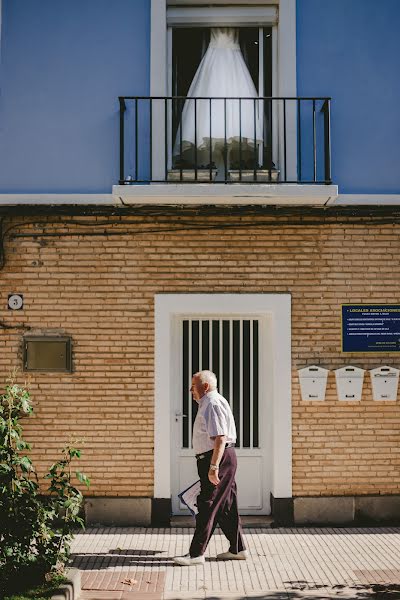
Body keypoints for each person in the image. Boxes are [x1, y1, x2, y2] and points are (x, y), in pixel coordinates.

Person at [173, 370, 248, 566]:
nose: (190, 390)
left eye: (193, 386)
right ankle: (237, 549)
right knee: (227, 505)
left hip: (217, 458)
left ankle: (196, 554)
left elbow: (220, 437)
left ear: (205, 386)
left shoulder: (212, 403)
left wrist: (214, 466)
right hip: (219, 458)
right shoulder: (209, 403)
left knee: (207, 503)